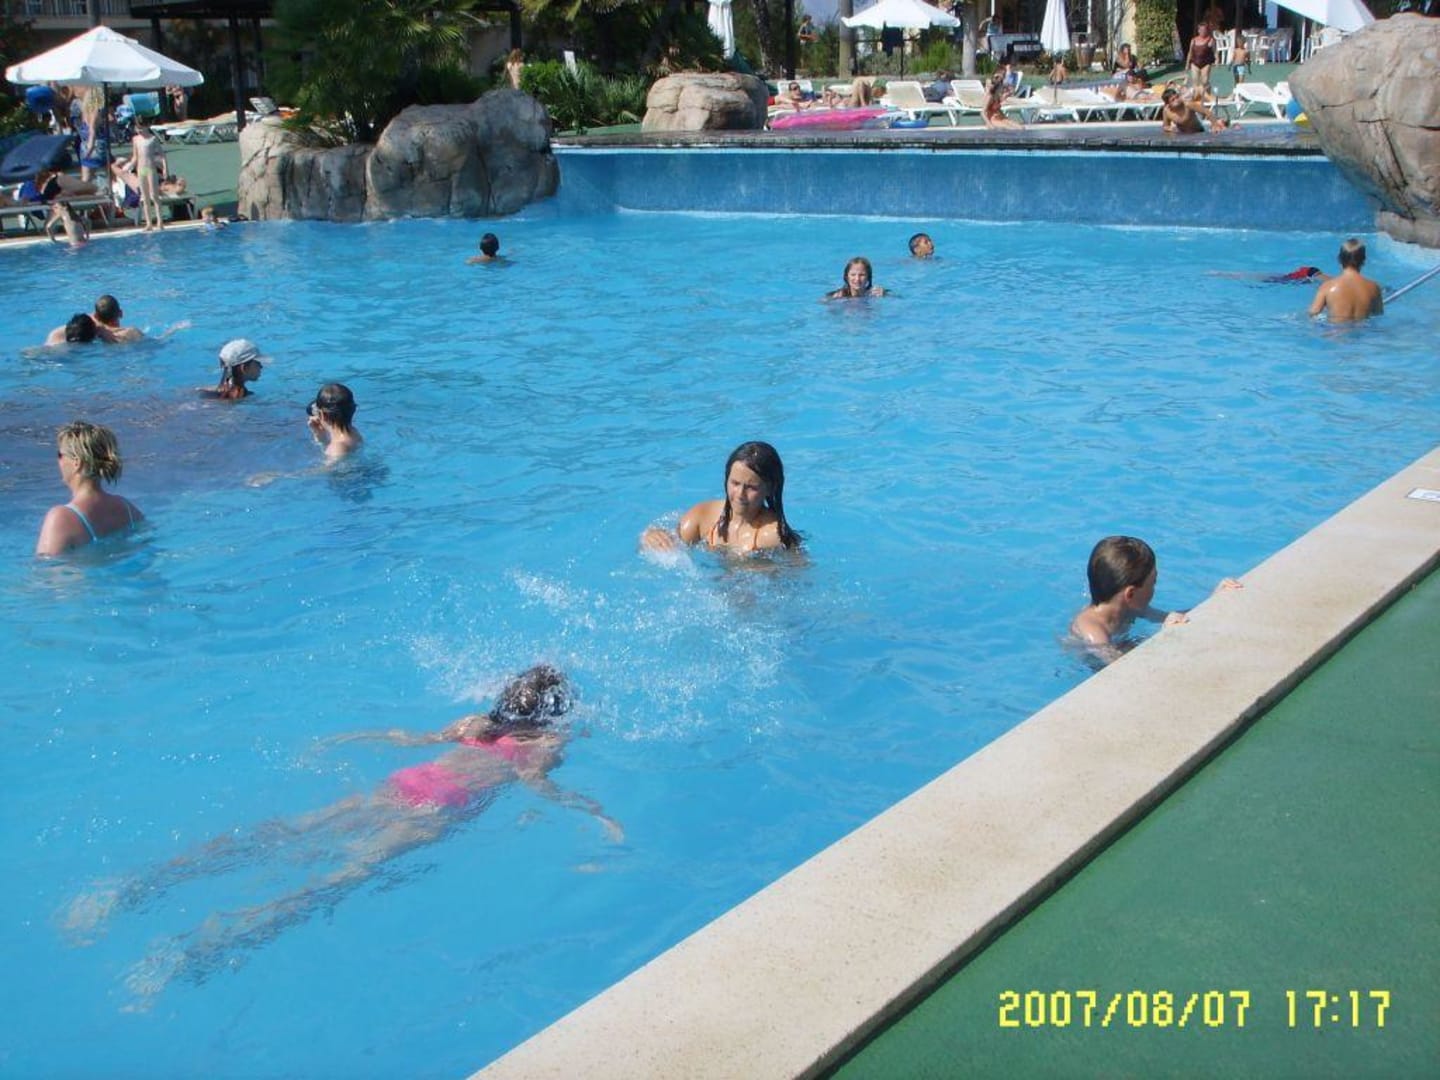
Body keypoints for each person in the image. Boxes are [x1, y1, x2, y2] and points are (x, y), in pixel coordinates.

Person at [61, 666, 622, 990]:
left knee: (278, 835)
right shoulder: (542, 744)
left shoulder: (475, 723)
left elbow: (407, 739)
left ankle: (135, 886)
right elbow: (537, 787)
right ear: (554, 712)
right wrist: (595, 813)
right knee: (332, 881)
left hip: (398, 788)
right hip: (433, 813)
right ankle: (203, 947)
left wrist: (347, 739)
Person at [1069, 536, 1239, 665]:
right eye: (1153, 583)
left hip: (1119, 648)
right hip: (1097, 666)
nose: (1154, 589)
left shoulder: (1132, 608)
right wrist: (1164, 638)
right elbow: (1122, 669)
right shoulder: (1093, 631)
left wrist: (1213, 600)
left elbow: (1174, 617)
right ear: (1130, 594)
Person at [641, 440, 802, 554]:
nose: (740, 494)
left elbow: (798, 572)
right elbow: (670, 546)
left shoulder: (773, 536)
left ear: (769, 488)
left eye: (751, 487)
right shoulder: (701, 517)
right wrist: (652, 537)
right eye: (735, 483)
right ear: (726, 480)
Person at [35, 420, 144, 557]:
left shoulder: (60, 518)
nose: (58, 461)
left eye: (60, 455)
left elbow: (45, 568)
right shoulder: (127, 509)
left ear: (76, 462)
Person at [1308, 238, 1383, 323]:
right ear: (1363, 260)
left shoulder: (1327, 287)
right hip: (1363, 329)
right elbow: (1378, 314)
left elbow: (1313, 313)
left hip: (1336, 330)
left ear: (1339, 259)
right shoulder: (1374, 287)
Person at [306, 382, 364, 460]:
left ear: (323, 415)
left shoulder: (336, 448)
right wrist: (319, 434)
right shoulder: (354, 433)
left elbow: (327, 467)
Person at [130, 119, 167, 232]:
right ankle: (149, 223)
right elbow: (135, 157)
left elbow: (162, 155)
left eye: (141, 128)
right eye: (137, 129)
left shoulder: (153, 139)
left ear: (146, 127)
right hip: (141, 169)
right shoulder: (135, 139)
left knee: (154, 195)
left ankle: (160, 221)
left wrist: (165, 169)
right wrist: (129, 166)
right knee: (144, 197)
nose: (139, 131)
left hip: (150, 168)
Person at [202, 339, 267, 400]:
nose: (261, 366)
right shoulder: (247, 397)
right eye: (258, 362)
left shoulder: (204, 392)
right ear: (244, 368)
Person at [1160, 86, 1224, 133]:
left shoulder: (1188, 105)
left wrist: (1214, 125)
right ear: (1168, 103)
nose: (1177, 100)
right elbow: (1166, 126)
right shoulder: (1166, 111)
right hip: (1182, 134)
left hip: (1198, 132)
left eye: (1177, 97)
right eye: (1173, 100)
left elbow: (1207, 111)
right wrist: (1170, 129)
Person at [1186, 22, 1216, 93]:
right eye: (1201, 30)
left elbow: (1215, 51)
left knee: (1205, 81)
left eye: (1204, 30)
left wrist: (1217, 60)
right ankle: (1197, 97)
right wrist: (1187, 64)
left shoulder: (1210, 40)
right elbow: (1190, 52)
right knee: (1195, 82)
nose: (1203, 31)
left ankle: (1208, 95)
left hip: (1206, 63)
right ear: (1198, 31)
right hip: (1195, 63)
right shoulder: (1193, 40)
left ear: (1207, 30)